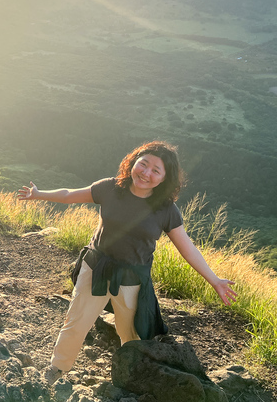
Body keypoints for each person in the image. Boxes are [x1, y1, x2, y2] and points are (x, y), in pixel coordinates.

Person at [17, 141, 237, 384]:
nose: (146, 173)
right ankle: (57, 368)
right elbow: (70, 195)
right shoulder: (110, 187)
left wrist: (214, 280)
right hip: (96, 268)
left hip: (132, 278)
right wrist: (37, 194)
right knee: (77, 321)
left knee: (131, 332)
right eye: (143, 164)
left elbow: (188, 248)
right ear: (133, 162)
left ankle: (128, 377)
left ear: (165, 178)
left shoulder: (166, 209)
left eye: (156, 170)